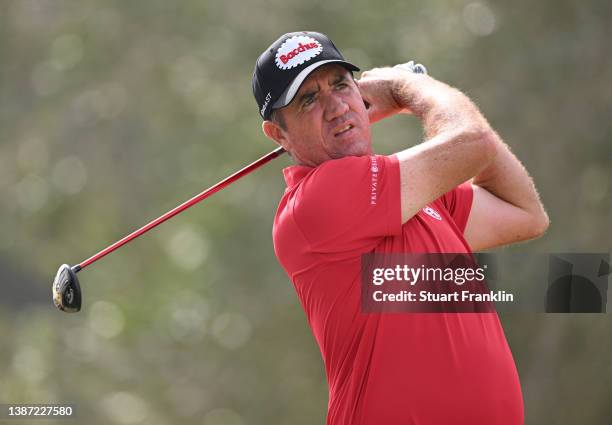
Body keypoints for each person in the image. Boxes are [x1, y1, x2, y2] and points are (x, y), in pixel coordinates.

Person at [252, 31, 548, 425]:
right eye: (309, 100)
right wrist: (410, 88)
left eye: (341, 85)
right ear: (278, 134)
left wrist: (448, 123)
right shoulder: (317, 202)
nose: (336, 106)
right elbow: (473, 140)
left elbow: (525, 212)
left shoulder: (413, 195)